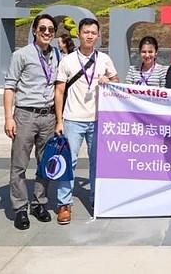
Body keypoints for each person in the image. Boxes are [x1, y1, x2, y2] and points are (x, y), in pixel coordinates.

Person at [54, 18, 119, 225]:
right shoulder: (68, 60)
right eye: (85, 32)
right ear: (78, 34)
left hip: (98, 119)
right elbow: (59, 90)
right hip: (73, 119)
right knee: (68, 163)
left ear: (98, 36)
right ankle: (64, 204)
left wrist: (109, 80)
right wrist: (59, 120)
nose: (89, 35)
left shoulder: (104, 59)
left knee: (97, 163)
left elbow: (117, 82)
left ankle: (96, 199)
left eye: (93, 32)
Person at [2, 14, 60, 230]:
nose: (47, 32)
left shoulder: (56, 54)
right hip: (25, 115)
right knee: (19, 164)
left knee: (46, 164)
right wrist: (9, 118)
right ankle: (20, 208)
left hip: (49, 116)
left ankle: (39, 202)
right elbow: (10, 86)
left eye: (51, 30)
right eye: (43, 28)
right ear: (35, 30)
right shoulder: (21, 55)